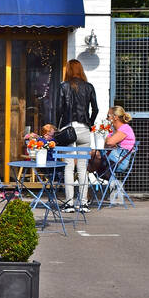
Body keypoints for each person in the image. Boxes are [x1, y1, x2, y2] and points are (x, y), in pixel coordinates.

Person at [57, 59, 98, 212]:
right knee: (82, 168)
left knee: (68, 167)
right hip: (84, 129)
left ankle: (69, 204)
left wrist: (58, 127)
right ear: (81, 70)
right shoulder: (89, 87)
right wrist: (90, 123)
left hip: (69, 129)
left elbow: (59, 109)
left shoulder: (64, 86)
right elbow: (96, 109)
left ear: (68, 70)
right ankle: (84, 203)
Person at [90, 105, 136, 204]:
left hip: (119, 162)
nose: (107, 119)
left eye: (108, 116)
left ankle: (81, 176)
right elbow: (107, 144)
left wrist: (108, 138)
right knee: (90, 156)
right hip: (112, 160)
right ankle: (85, 174)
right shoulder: (114, 131)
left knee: (92, 155)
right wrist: (110, 141)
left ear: (115, 117)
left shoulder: (125, 128)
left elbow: (109, 142)